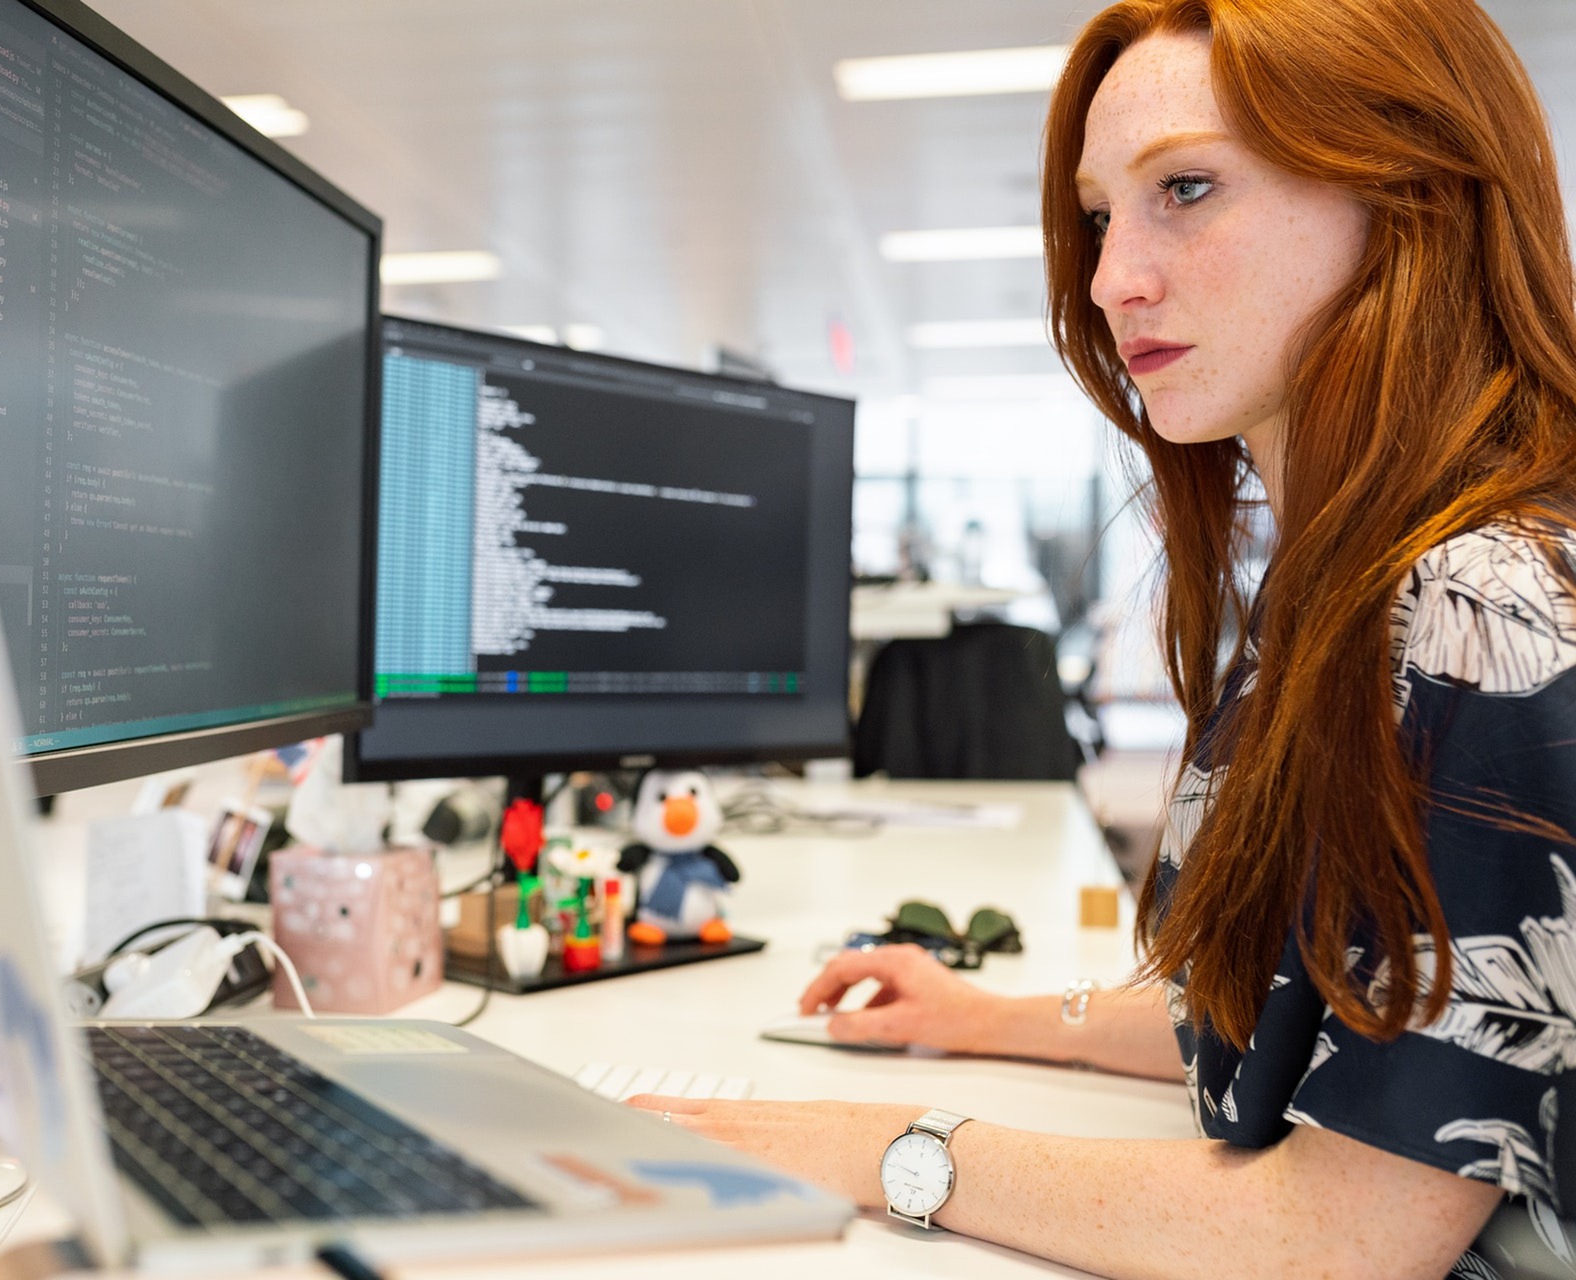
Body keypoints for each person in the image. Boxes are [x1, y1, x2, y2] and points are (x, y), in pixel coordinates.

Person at [630, 0, 1576, 1274]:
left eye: (1187, 187)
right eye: (1098, 215)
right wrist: (995, 1016)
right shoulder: (1347, 583)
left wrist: (877, 1147)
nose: (1110, 275)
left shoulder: (1487, 605)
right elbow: (1315, 1014)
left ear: (1409, 193)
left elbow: (1347, 1231)